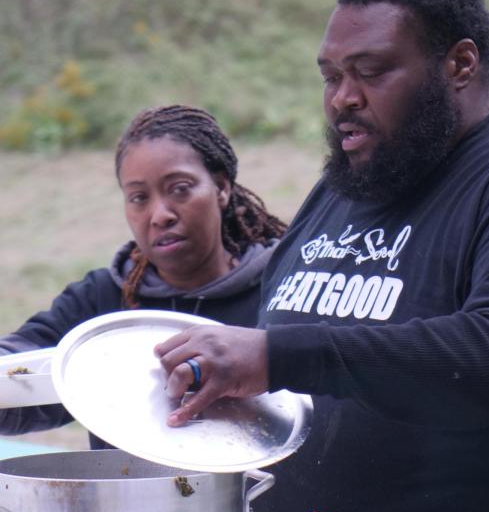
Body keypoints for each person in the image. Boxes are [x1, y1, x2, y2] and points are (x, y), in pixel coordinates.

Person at [154, 0, 489, 512]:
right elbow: (279, 329)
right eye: (331, 76)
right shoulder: (353, 181)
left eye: (371, 70)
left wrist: (277, 356)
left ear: (459, 63)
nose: (343, 98)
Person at [0, 104, 286, 448]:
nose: (159, 214)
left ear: (221, 188)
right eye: (138, 197)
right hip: (130, 498)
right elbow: (22, 369)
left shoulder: (284, 289)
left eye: (180, 189)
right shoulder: (101, 301)